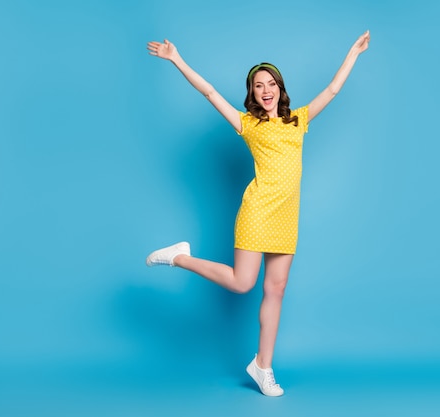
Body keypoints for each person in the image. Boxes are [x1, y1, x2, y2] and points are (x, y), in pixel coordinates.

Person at [145, 30, 370, 396]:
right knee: (242, 282)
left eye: (271, 84)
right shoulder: (247, 124)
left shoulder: (299, 120)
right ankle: (180, 258)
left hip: (286, 216)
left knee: (275, 290)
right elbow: (209, 92)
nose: (265, 90)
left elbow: (331, 90)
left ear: (280, 88)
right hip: (258, 211)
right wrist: (176, 59)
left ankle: (263, 366)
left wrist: (353, 54)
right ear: (252, 94)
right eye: (258, 86)